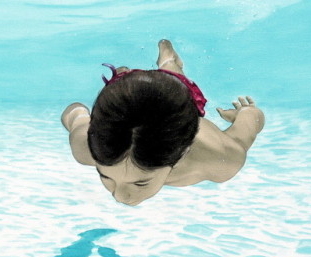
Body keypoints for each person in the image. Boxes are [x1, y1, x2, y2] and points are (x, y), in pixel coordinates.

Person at [61, 39, 264, 206]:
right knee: (123, 87)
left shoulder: (221, 159)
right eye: (104, 176)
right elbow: (74, 112)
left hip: (175, 97)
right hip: (124, 101)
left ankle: (168, 61)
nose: (120, 197)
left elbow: (252, 120)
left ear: (183, 152)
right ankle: (126, 78)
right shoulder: (87, 146)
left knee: (175, 81)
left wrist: (246, 112)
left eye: (141, 183)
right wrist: (79, 114)